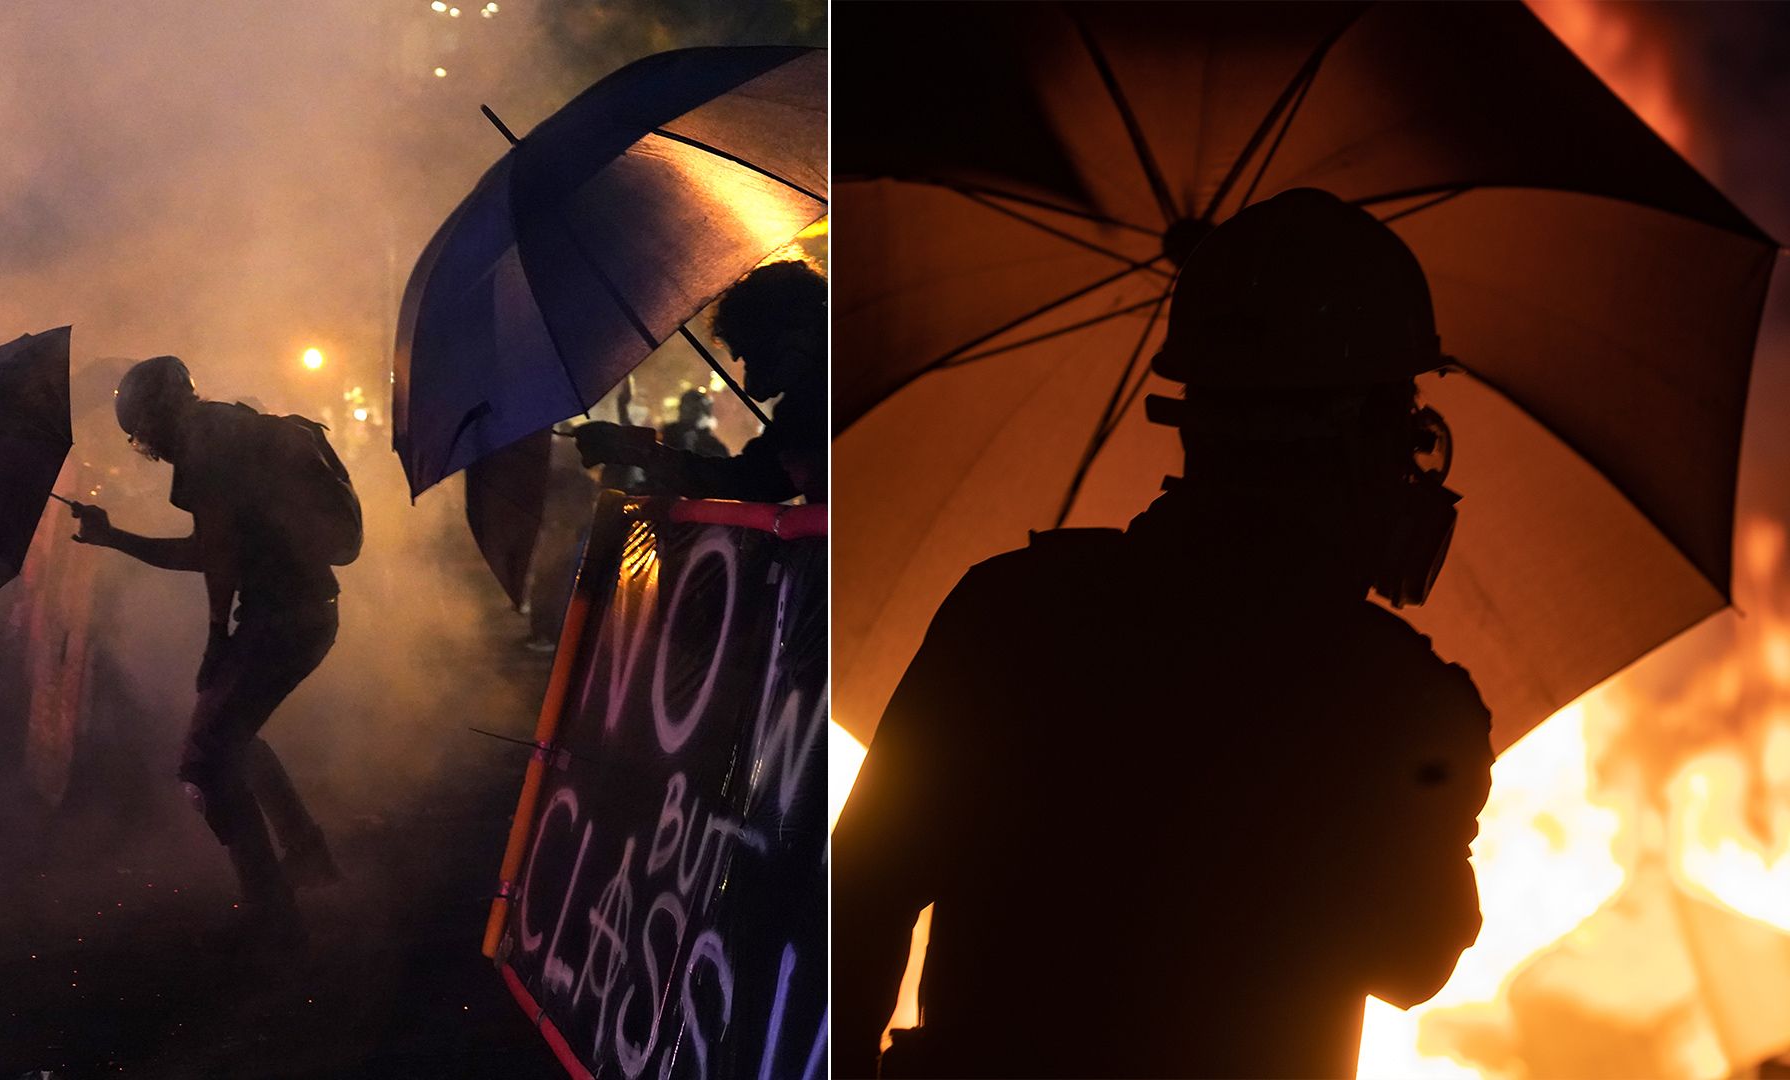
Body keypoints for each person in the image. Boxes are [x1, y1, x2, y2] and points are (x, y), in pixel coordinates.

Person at [831, 189, 1494, 1078]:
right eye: (1407, 431)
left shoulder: (1012, 612)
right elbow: (1414, 958)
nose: (1409, 470)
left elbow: (859, 898)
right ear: (1354, 441)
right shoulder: (1398, 698)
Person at [68, 356, 347, 951]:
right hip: (306, 611)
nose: (146, 448)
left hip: (284, 619)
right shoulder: (231, 426)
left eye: (141, 433)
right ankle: (307, 857)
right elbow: (208, 549)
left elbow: (214, 554)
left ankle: (273, 917)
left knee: (205, 763)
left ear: (154, 416)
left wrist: (217, 637)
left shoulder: (204, 445)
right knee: (233, 738)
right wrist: (112, 536)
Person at [573, 260, 827, 503]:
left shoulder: (819, 395)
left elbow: (751, 481)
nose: (751, 374)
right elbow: (751, 478)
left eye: (751, 354)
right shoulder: (799, 406)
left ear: (794, 331)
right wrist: (643, 453)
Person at [661, 387, 730, 459]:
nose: (690, 413)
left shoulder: (714, 447)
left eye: (695, 409)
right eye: (688, 407)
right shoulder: (667, 434)